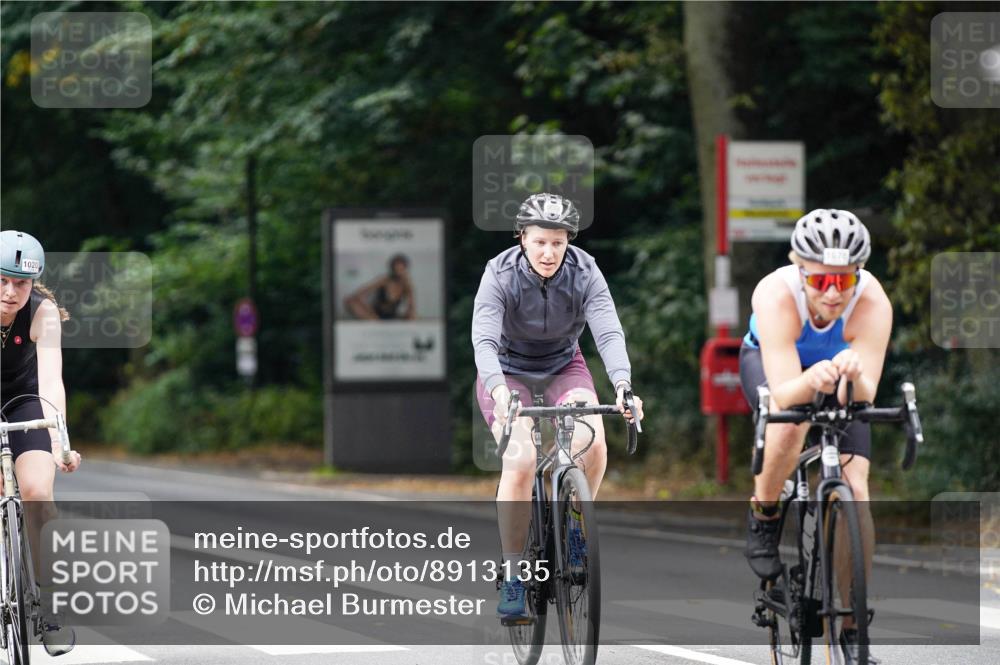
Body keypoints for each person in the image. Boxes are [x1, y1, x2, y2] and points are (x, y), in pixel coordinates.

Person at [471, 192, 644, 623]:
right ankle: (513, 573)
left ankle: (574, 521)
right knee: (522, 458)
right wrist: (498, 392)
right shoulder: (500, 273)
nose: (549, 252)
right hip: (507, 374)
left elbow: (607, 331)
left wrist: (622, 384)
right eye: (540, 242)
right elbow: (484, 341)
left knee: (594, 443)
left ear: (569, 241)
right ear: (522, 238)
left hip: (565, 365)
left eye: (558, 243)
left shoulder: (585, 271)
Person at [739, 209, 890, 664]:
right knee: (792, 425)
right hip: (775, 368)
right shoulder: (774, 293)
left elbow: (864, 395)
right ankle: (764, 515)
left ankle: (849, 622)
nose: (831, 293)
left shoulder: (872, 300)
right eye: (821, 280)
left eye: (843, 281)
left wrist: (852, 371)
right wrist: (812, 380)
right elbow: (785, 392)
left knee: (856, 487)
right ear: (799, 267)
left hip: (837, 379)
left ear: (857, 276)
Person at [0, 230, 82, 656]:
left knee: (36, 492)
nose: (11, 292)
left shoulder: (43, 312)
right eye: (1, 280)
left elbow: (51, 382)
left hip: (24, 402)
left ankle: (48, 602)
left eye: (21, 283)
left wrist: (58, 441)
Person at [343, 253, 416, 320]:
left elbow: (411, 307)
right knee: (350, 300)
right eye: (396, 269)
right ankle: (376, 322)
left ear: (405, 269)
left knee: (411, 315)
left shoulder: (407, 284)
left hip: (392, 317)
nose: (398, 271)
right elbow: (360, 293)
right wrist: (369, 310)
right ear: (392, 269)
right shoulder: (384, 280)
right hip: (375, 316)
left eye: (401, 269)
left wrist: (409, 289)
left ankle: (381, 324)